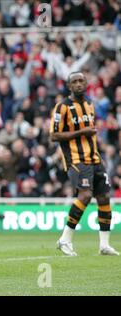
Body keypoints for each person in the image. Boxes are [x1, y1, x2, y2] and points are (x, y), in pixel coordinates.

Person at [50, 71, 119, 256]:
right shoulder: (62, 107)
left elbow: (91, 133)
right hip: (76, 160)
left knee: (104, 198)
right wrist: (81, 132)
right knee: (85, 196)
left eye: (81, 81)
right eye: (75, 81)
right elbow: (54, 135)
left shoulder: (89, 104)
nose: (79, 84)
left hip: (95, 159)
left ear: (86, 84)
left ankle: (104, 245)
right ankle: (65, 239)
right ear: (69, 86)